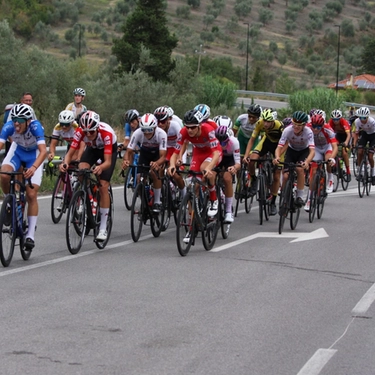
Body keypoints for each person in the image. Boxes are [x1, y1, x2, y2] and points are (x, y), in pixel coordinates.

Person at [60, 110, 118, 242]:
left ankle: (103, 227)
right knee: (81, 171)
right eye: (86, 132)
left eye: (91, 131)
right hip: (92, 149)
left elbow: (108, 162)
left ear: (97, 128)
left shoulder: (106, 133)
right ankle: (88, 194)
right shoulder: (80, 132)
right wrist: (65, 164)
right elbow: (70, 153)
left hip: (107, 151)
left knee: (103, 185)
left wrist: (100, 167)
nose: (88, 134)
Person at [0, 104, 47, 250]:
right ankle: (9, 201)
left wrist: (33, 168)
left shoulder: (35, 127)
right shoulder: (9, 127)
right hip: (18, 151)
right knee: (4, 174)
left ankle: (30, 235)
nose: (16, 123)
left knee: (31, 194)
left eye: (20, 120)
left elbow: (43, 151)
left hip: (34, 156)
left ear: (28, 120)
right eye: (14, 119)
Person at [168, 109, 222, 217]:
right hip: (198, 153)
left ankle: (213, 199)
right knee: (193, 186)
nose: (189, 130)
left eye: (193, 127)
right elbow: (175, 153)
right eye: (187, 127)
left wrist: (209, 167)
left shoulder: (208, 130)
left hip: (213, 153)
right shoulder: (183, 131)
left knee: (204, 168)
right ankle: (193, 220)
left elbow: (216, 153)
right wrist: (172, 165)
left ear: (200, 125)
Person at [122, 113, 167, 213]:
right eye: (144, 130)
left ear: (155, 127)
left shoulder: (161, 134)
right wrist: (126, 161)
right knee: (139, 178)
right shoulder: (138, 133)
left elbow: (163, 156)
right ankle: (144, 202)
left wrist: (157, 163)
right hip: (145, 153)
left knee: (154, 173)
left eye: (149, 130)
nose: (146, 133)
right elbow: (129, 151)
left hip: (157, 154)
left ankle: (157, 201)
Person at [244, 108, 284, 215]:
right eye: (264, 121)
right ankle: (253, 179)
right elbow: (252, 140)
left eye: (268, 121)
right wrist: (246, 155)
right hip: (266, 142)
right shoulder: (259, 123)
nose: (265, 124)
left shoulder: (280, 126)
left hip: (279, 146)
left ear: (273, 121)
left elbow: (286, 142)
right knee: (252, 160)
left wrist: (277, 156)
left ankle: (273, 203)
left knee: (276, 176)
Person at [273, 111, 315, 207]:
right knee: (286, 176)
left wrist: (307, 162)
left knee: (300, 169)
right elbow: (279, 147)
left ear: (304, 125)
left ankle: (299, 196)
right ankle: (284, 192)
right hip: (291, 151)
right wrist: (277, 157)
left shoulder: (308, 132)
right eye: (294, 124)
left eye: (299, 125)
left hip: (303, 151)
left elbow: (312, 151)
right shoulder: (287, 130)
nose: (296, 127)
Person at [304, 114, 338, 211]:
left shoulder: (328, 129)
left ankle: (330, 179)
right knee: (313, 172)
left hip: (327, 147)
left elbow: (335, 147)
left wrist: (332, 158)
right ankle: (309, 199)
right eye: (314, 126)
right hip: (316, 149)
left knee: (328, 160)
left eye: (318, 127)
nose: (315, 129)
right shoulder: (308, 127)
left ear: (322, 125)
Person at [154, 106, 186, 198]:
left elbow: (183, 142)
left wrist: (180, 158)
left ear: (168, 120)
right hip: (165, 149)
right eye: (158, 122)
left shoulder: (175, 125)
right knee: (159, 169)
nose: (160, 124)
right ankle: (160, 194)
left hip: (177, 149)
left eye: (163, 121)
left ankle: (184, 196)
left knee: (175, 174)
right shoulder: (156, 128)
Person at [215, 125, 241, 223]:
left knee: (227, 178)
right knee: (210, 175)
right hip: (217, 156)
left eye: (224, 142)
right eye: (219, 142)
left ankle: (228, 211)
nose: (221, 144)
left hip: (229, 159)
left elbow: (238, 163)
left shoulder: (234, 142)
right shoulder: (213, 141)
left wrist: (234, 168)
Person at [352, 106, 375, 185]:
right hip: (365, 135)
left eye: (364, 118)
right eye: (361, 117)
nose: (362, 119)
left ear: (367, 116)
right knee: (360, 151)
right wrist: (354, 144)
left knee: (370, 156)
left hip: (373, 136)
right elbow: (356, 133)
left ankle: (373, 174)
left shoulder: (372, 121)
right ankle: (359, 172)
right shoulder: (357, 121)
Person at [328, 109, 351, 180]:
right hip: (338, 136)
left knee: (344, 153)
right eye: (334, 119)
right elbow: (329, 134)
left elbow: (348, 134)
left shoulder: (343, 122)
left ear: (340, 118)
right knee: (334, 148)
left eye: (337, 119)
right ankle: (335, 164)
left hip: (346, 136)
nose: (335, 121)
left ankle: (348, 171)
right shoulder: (331, 122)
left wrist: (346, 142)